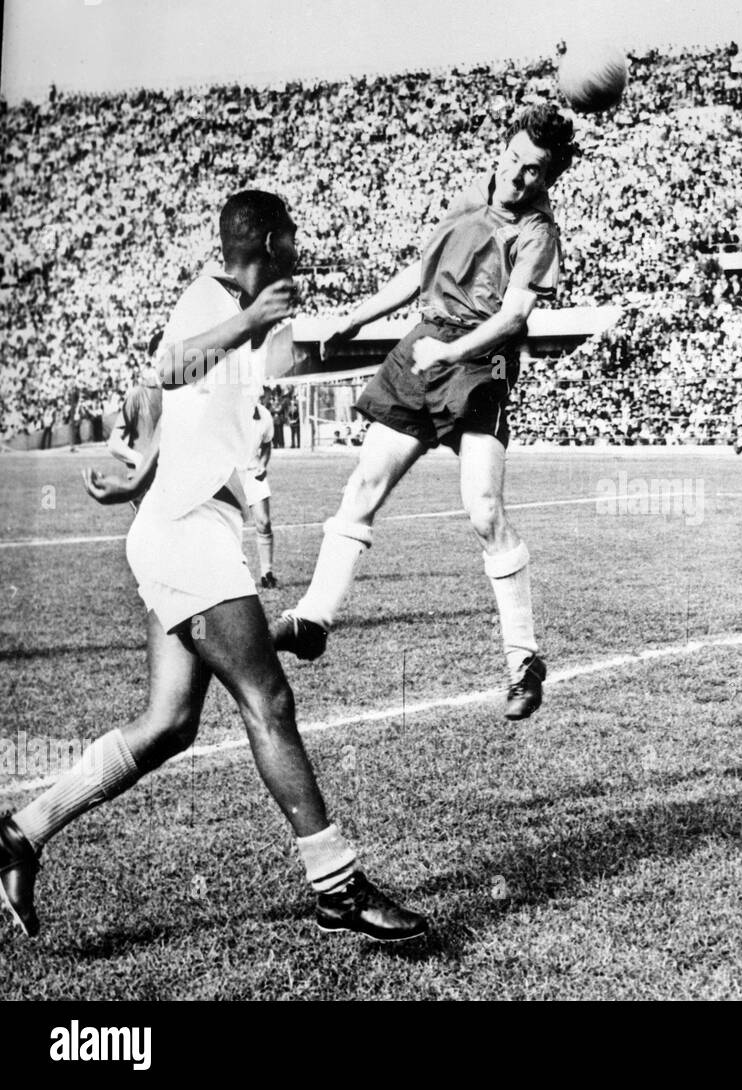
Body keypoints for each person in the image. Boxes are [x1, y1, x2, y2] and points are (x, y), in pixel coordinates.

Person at [1, 192, 427, 943]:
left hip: (183, 527)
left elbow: (175, 399)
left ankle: (20, 834)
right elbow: (171, 364)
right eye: (292, 235)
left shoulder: (230, 305)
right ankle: (335, 885)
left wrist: (139, 474)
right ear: (268, 239)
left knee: (168, 725)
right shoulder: (216, 300)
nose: (301, 246)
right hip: (186, 535)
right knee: (269, 701)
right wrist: (255, 319)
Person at [272, 104, 579, 722]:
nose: (518, 178)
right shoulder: (471, 195)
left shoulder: (538, 233)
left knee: (484, 510)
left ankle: (524, 660)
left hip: (478, 362)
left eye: (533, 173)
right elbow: (421, 272)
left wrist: (453, 350)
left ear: (550, 179)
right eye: (515, 161)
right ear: (504, 150)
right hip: (423, 349)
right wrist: (357, 316)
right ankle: (312, 619)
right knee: (362, 486)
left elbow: (514, 318)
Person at [247, 400, 277, 589]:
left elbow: (267, 445)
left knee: (264, 522)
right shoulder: (224, 410)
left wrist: (262, 464)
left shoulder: (263, 414)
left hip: (252, 472)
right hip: (227, 473)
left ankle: (267, 573)